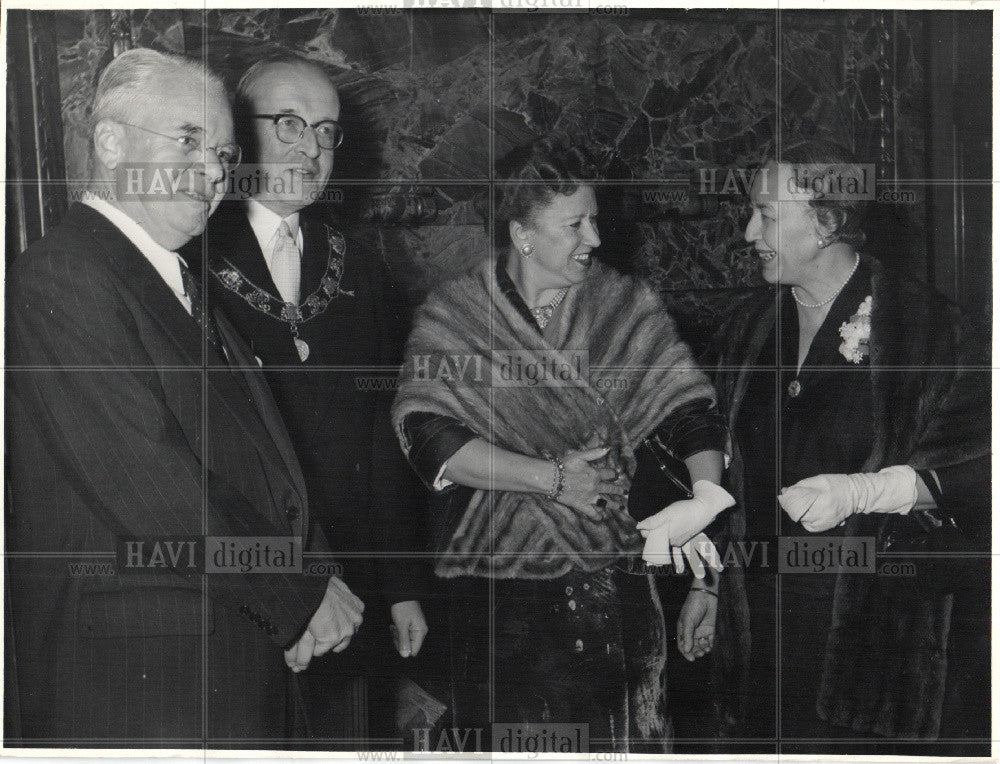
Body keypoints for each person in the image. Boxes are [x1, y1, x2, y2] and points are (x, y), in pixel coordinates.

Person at [5, 48, 362, 744]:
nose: (213, 173)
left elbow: (262, 459)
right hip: (141, 670)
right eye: (188, 142)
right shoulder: (63, 275)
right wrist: (297, 593)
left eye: (225, 153)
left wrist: (313, 578)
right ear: (110, 142)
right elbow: (147, 480)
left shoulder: (179, 281)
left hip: (221, 645)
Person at [390, 135, 734, 752]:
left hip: (614, 596)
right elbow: (430, 438)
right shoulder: (457, 315)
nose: (595, 240)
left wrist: (708, 494)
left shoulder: (624, 307)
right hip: (499, 605)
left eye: (595, 220)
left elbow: (690, 412)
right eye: (574, 224)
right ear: (522, 234)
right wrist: (552, 479)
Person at [713, 139, 990, 754]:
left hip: (874, 639)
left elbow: (980, 467)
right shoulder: (746, 329)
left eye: (766, 214)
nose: (749, 230)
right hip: (760, 627)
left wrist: (868, 491)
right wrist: (708, 590)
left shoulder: (927, 329)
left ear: (827, 223)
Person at [180, 56, 428, 740]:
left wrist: (402, 583)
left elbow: (384, 436)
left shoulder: (361, 264)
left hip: (351, 598)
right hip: (239, 596)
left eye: (326, 130)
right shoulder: (189, 256)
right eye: (288, 122)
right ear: (239, 133)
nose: (311, 146)